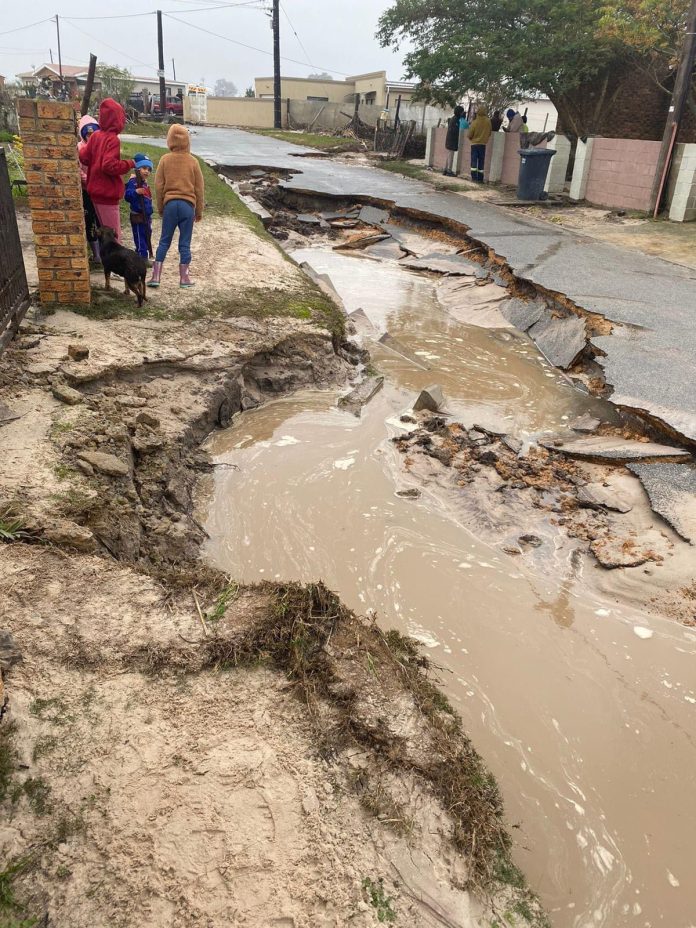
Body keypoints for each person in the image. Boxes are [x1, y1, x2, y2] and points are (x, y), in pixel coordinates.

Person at [148, 124, 204, 289]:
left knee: (164, 241)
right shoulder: (193, 161)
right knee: (184, 243)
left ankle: (156, 276)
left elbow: (158, 186)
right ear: (188, 141)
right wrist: (199, 211)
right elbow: (199, 189)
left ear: (169, 140)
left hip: (170, 205)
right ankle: (184, 278)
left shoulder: (165, 159)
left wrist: (160, 207)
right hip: (188, 206)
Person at [79, 98, 135, 242]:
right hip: (107, 193)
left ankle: (108, 262)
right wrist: (129, 163)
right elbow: (109, 165)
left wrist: (95, 157)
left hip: (94, 191)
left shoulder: (95, 136)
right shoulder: (112, 139)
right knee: (113, 237)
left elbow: (84, 157)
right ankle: (117, 265)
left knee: (105, 233)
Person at [77, 114, 101, 263]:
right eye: (88, 134)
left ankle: (105, 252)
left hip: (99, 191)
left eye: (94, 134)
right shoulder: (79, 148)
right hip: (87, 190)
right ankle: (96, 254)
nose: (91, 137)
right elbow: (78, 170)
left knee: (101, 221)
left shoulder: (101, 148)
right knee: (89, 220)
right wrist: (89, 180)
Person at [125, 153, 154, 261]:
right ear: (137, 169)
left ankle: (142, 254)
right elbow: (127, 196)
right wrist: (136, 192)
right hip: (138, 216)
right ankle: (142, 258)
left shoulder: (144, 183)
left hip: (147, 216)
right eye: (144, 168)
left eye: (149, 169)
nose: (147, 171)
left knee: (147, 235)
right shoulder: (133, 183)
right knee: (140, 237)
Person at [467, 106, 492, 183]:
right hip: (483, 144)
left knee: (474, 161)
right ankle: (480, 179)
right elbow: (489, 132)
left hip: (474, 144)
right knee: (481, 161)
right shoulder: (488, 122)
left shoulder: (475, 122)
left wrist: (472, 139)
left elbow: (469, 134)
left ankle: (474, 178)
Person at [443, 104, 466, 177]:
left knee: (449, 155)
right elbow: (454, 130)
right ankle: (449, 170)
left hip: (450, 139)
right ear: (459, 112)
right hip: (451, 140)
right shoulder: (455, 119)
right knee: (450, 155)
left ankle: (445, 170)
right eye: (462, 112)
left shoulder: (455, 119)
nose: (463, 113)